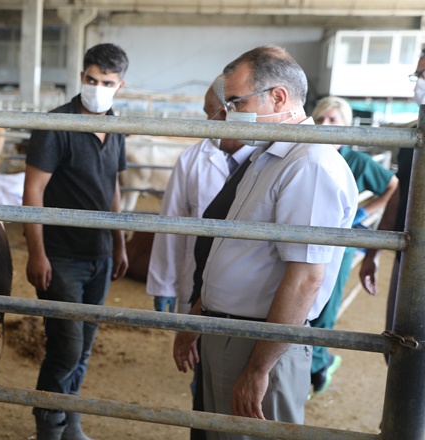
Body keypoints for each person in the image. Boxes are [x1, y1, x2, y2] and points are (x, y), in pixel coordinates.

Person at [172, 45, 357, 438]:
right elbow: (236, 250)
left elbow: (305, 278)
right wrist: (200, 313)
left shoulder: (309, 164)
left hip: (261, 343)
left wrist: (259, 368)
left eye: (237, 101)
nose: (230, 113)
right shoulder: (266, 156)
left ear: (278, 97)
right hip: (227, 331)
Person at [23, 42, 129, 440]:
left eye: (107, 82)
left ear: (120, 85)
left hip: (100, 254)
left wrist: (119, 241)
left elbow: (112, 186)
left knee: (83, 346)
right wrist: (37, 253)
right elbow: (33, 191)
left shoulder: (116, 127)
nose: (98, 88)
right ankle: (49, 428)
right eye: (92, 79)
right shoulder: (56, 124)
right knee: (65, 347)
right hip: (61, 255)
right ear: (81, 77)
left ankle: (71, 422)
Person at [309, 96, 397, 395]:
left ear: (346, 125)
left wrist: (362, 213)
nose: (325, 124)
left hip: (340, 244)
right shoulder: (307, 154)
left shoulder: (355, 160)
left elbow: (393, 186)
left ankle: (317, 368)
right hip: (307, 238)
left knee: (325, 307)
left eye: (333, 119)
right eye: (320, 119)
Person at [146, 76, 252, 314]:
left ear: (226, 113)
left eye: (209, 112)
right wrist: (164, 284)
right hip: (195, 279)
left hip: (247, 290)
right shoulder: (191, 159)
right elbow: (172, 223)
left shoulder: (267, 160)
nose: (208, 121)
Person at [358, 48, 424, 359]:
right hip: (408, 258)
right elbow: (400, 196)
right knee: (401, 350)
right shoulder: (413, 136)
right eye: (418, 75)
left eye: (424, 74)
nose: (419, 82)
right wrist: (374, 250)